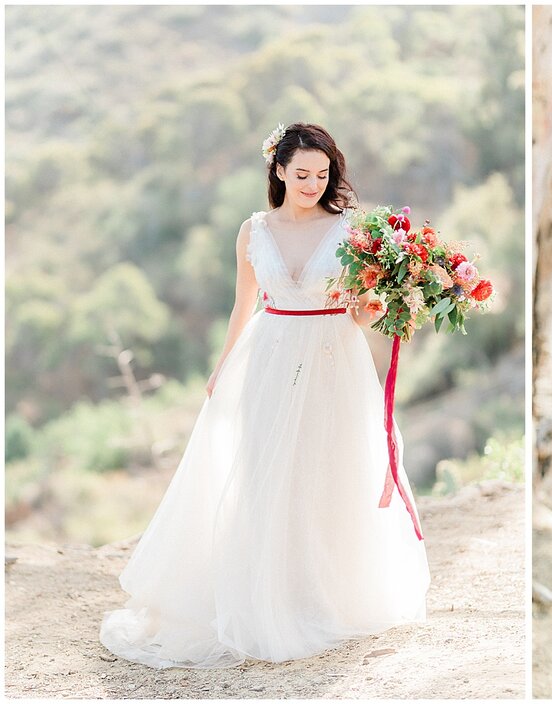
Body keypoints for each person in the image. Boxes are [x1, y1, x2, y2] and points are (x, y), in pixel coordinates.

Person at [99, 122, 430, 669]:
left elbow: (358, 310)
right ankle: (265, 596)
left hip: (333, 359)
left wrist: (389, 306)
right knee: (266, 473)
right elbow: (243, 305)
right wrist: (223, 365)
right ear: (278, 170)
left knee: (329, 470)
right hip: (271, 356)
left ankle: (322, 595)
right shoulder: (252, 231)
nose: (313, 184)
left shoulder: (352, 231)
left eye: (322, 175)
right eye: (301, 173)